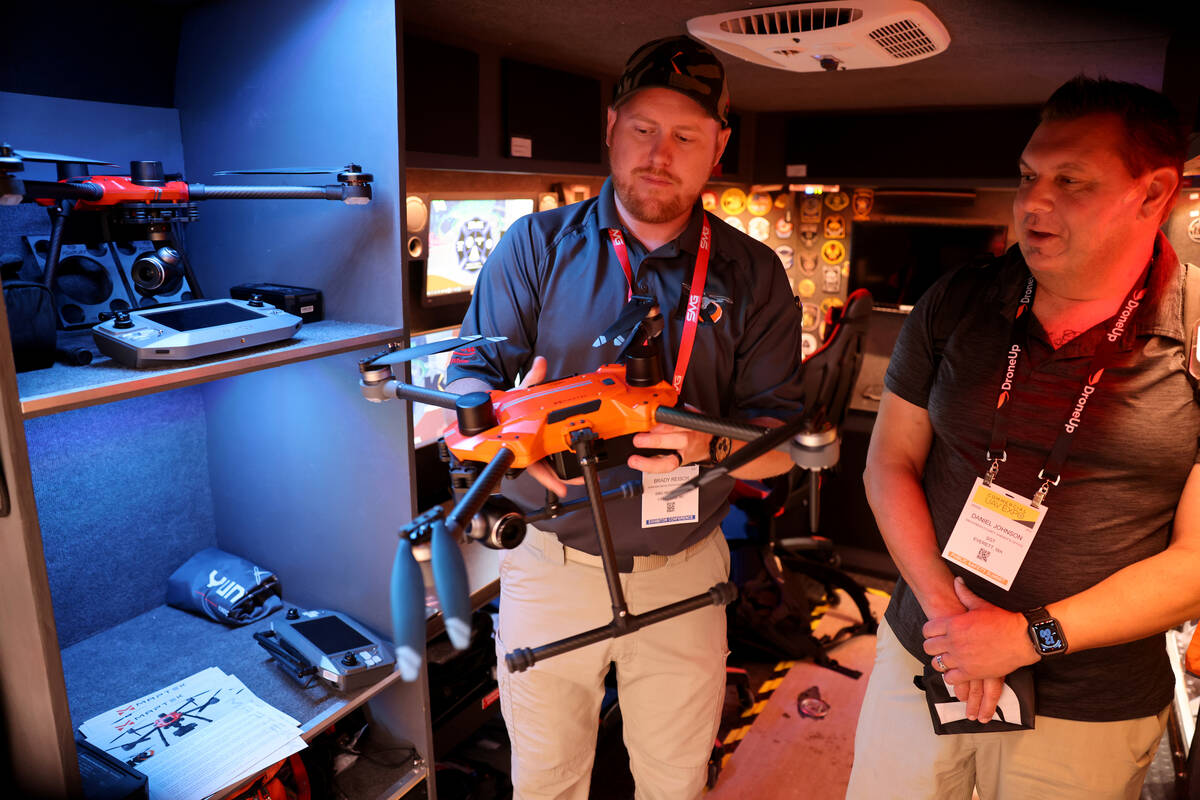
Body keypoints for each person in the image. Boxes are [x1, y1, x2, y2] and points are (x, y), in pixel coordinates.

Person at [444, 35, 803, 800]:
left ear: (720, 149)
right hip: (549, 564)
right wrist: (507, 429)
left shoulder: (755, 275)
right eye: (643, 128)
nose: (659, 153)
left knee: (675, 783)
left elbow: (785, 449)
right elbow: (467, 386)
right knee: (544, 783)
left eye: (687, 136)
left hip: (687, 571)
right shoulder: (533, 246)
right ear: (611, 127)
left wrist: (710, 443)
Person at [845, 75, 1200, 799]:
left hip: (1090, 706)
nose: (1034, 202)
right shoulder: (957, 300)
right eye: (1029, 175)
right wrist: (953, 623)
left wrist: (1023, 637)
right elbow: (889, 462)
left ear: (1153, 193)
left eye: (1071, 181)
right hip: (928, 653)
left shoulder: (1195, 332)